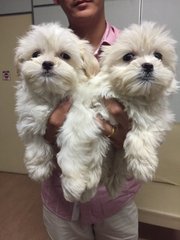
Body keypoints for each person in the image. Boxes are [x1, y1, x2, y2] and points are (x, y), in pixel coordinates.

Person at [42, 1, 141, 239]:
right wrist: (46, 134)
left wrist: (129, 139)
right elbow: (28, 116)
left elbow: (153, 115)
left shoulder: (136, 48)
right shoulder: (43, 50)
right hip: (60, 199)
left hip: (116, 198)